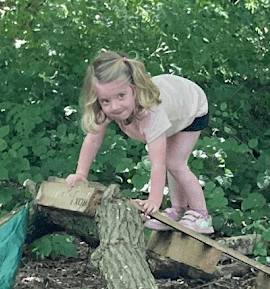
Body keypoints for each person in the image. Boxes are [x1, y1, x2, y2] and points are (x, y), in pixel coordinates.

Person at [65, 51, 214, 234]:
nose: (115, 106)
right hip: (174, 106)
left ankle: (202, 215)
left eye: (121, 96)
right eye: (106, 100)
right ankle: (178, 210)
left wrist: (153, 202)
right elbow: (93, 139)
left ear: (134, 90)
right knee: (171, 162)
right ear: (98, 99)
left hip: (191, 105)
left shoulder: (151, 113)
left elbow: (157, 163)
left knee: (174, 163)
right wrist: (80, 173)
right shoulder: (104, 110)